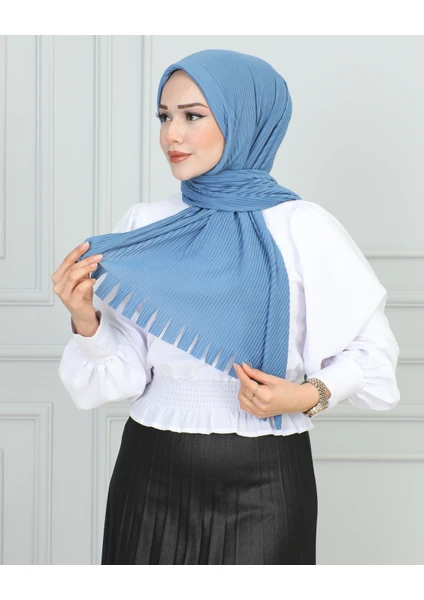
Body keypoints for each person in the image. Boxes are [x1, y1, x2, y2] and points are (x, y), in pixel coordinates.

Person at [53, 49, 400, 565]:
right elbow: (121, 379)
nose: (171, 135)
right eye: (164, 116)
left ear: (246, 121)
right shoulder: (144, 225)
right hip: (150, 471)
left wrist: (305, 395)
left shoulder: (304, 227)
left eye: (192, 116)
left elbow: (374, 360)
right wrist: (86, 320)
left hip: (267, 479)